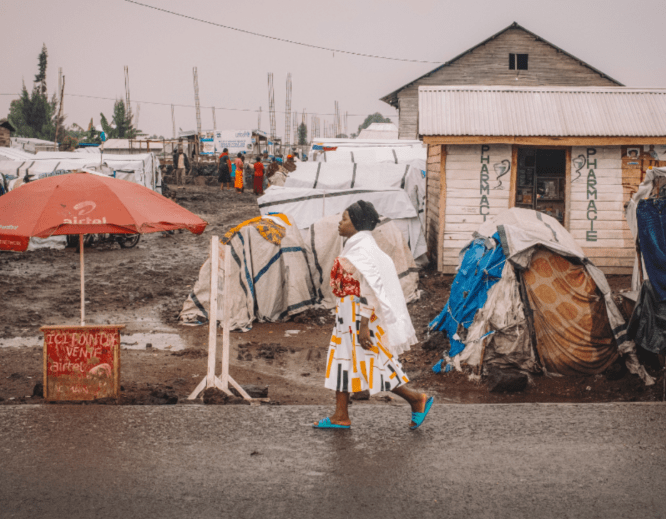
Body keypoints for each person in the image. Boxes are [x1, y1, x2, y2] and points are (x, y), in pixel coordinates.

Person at [313, 201, 434, 430]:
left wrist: (363, 324)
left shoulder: (363, 249)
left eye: (345, 218)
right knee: (343, 361)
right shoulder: (357, 245)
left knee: (374, 362)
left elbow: (370, 288)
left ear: (357, 223)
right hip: (347, 315)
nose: (340, 223)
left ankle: (416, 399)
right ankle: (340, 415)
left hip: (358, 316)